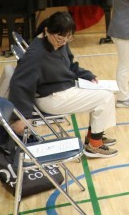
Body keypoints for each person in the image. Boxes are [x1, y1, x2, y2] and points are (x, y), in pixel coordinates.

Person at [9, 12, 118, 158]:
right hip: (51, 98)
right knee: (105, 97)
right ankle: (94, 145)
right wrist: (22, 117)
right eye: (60, 38)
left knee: (105, 92)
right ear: (47, 31)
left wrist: (87, 75)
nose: (64, 42)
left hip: (62, 90)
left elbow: (69, 65)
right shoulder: (36, 54)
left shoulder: (59, 41)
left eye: (68, 38)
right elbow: (19, 84)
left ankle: (93, 137)